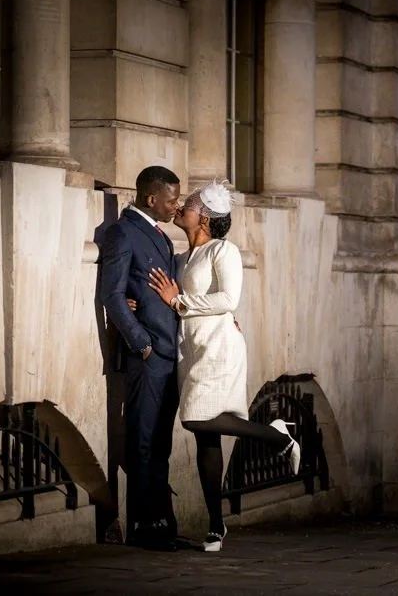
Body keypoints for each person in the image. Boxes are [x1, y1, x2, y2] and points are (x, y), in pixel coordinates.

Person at [147, 180, 300, 553]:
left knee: (195, 419)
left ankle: (279, 437)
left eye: (191, 204)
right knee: (206, 438)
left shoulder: (223, 250)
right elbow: (166, 298)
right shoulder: (180, 258)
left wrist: (179, 300)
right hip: (192, 349)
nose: (182, 206)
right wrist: (148, 304)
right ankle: (216, 527)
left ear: (206, 218)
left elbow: (228, 297)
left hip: (219, 348)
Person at [99, 166, 182, 551]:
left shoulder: (160, 234)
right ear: (152, 198)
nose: (175, 206)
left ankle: (162, 523)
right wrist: (141, 344)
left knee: (161, 443)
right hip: (148, 355)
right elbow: (112, 295)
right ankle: (143, 527)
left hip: (169, 354)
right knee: (143, 441)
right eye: (171, 200)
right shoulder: (123, 231)